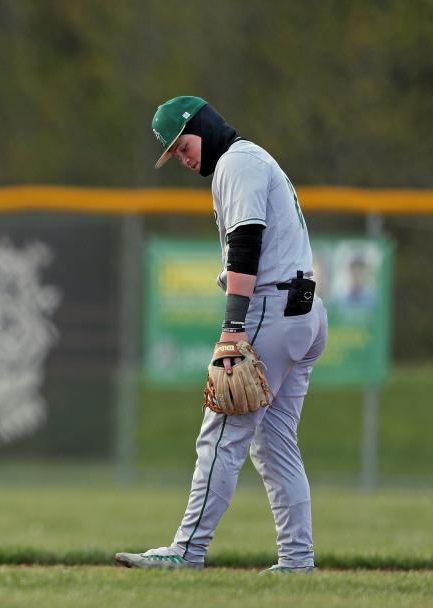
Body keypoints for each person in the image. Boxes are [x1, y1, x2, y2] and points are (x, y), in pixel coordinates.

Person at [115, 96, 328, 573]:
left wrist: (233, 326)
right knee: (273, 442)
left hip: (271, 308)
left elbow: (246, 243)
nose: (184, 159)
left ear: (203, 126)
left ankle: (187, 551)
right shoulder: (252, 159)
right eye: (174, 155)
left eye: (183, 145)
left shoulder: (236, 162)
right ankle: (297, 561)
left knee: (221, 437)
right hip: (305, 311)